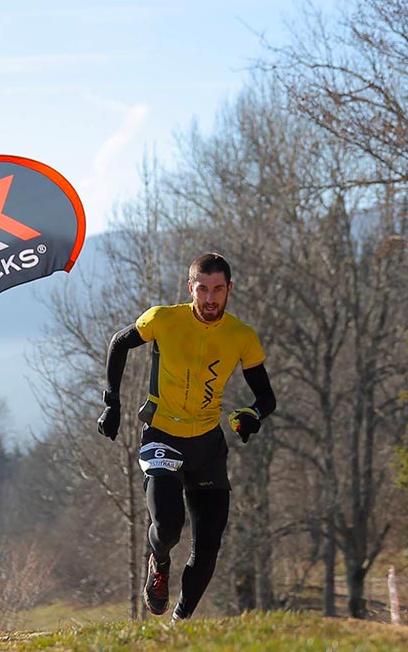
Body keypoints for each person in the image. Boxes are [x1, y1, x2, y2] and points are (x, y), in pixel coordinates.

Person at [97, 252, 276, 620]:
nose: (210, 299)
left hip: (208, 445)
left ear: (229, 290)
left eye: (218, 290)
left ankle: (180, 625)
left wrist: (252, 416)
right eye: (203, 289)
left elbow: (266, 398)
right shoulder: (163, 319)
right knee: (167, 526)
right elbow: (119, 343)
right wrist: (111, 404)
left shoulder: (242, 336)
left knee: (208, 545)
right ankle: (158, 563)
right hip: (162, 435)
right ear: (190, 288)